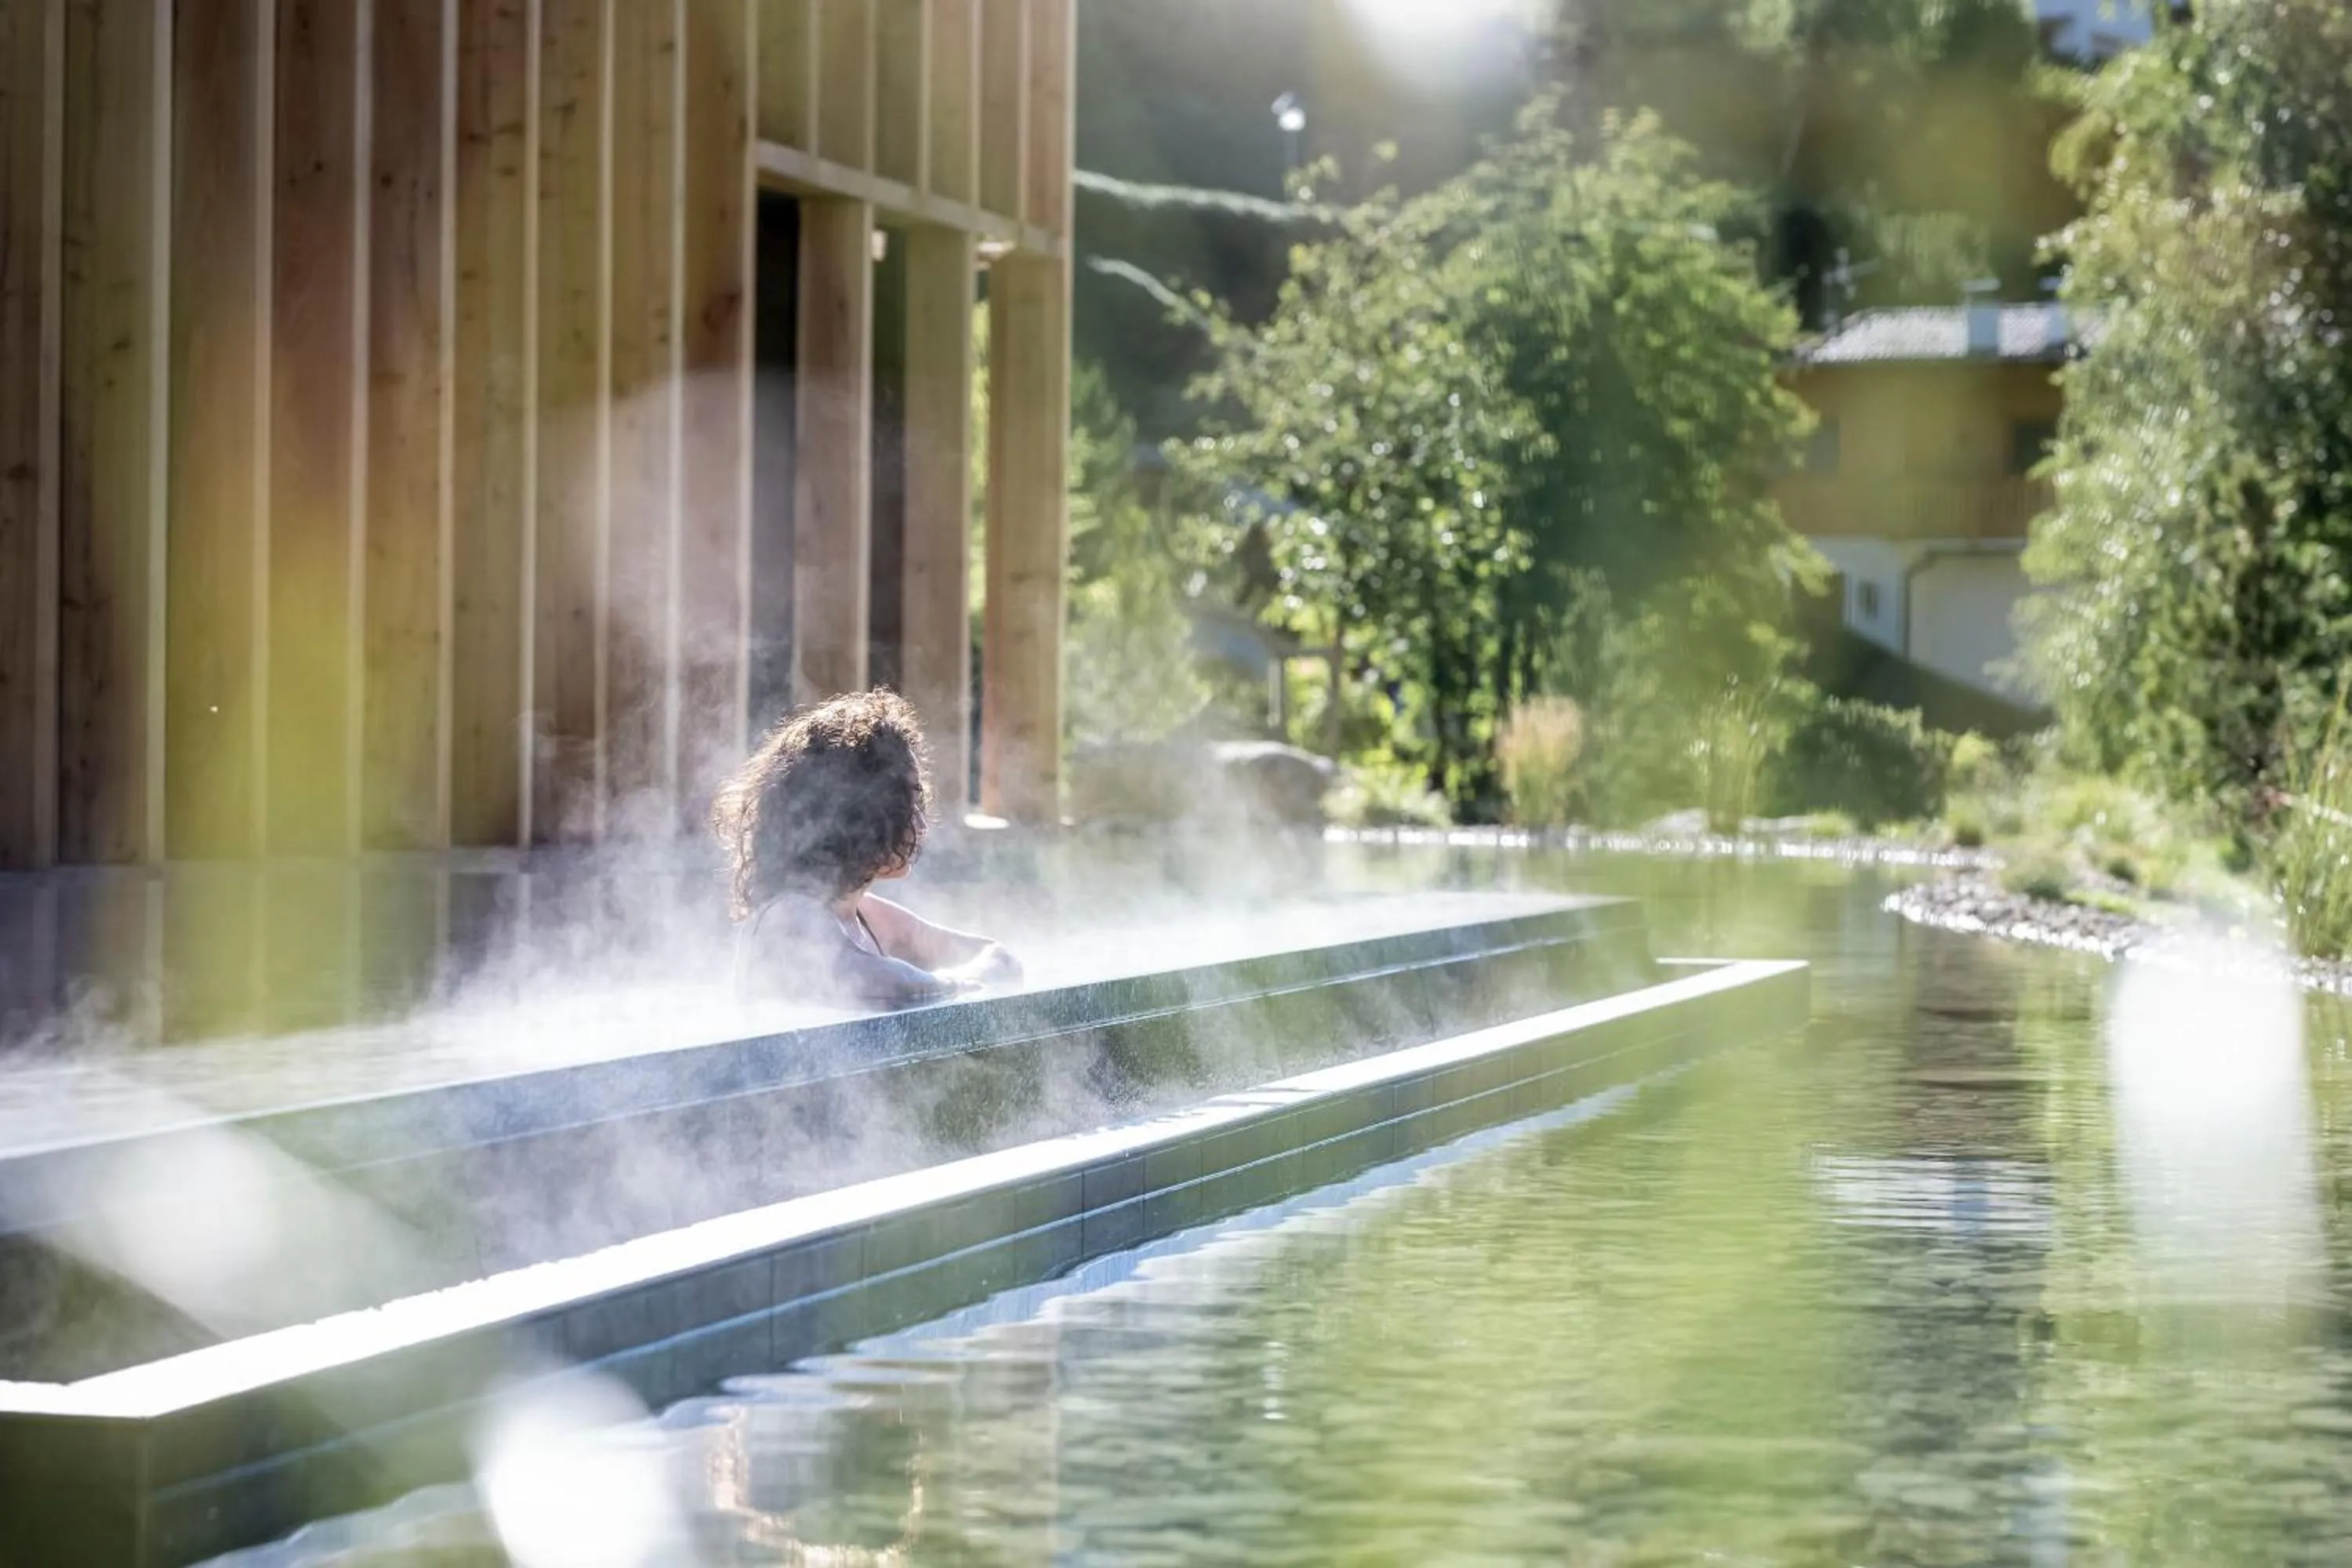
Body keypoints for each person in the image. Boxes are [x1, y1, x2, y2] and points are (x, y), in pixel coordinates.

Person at [712, 689, 1021, 1007]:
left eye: (918, 801)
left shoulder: (866, 915)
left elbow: (998, 957)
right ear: (851, 811)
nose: (920, 822)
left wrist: (977, 976)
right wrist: (966, 983)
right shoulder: (789, 915)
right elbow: (886, 986)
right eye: (905, 801)